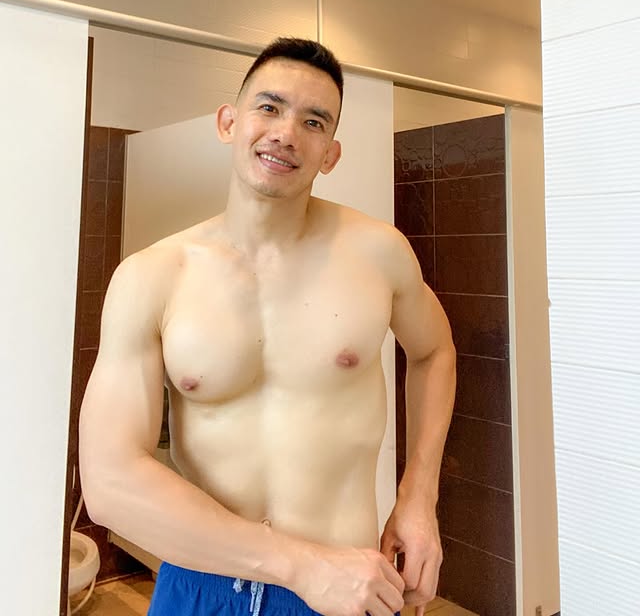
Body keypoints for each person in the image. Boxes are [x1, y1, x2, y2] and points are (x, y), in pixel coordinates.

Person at [79, 37, 456, 616]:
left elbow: (433, 352)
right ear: (229, 122)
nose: (286, 133)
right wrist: (300, 565)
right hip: (202, 583)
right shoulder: (152, 276)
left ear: (330, 153)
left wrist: (418, 498)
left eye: (313, 121)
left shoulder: (378, 254)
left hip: (345, 587)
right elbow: (108, 481)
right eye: (269, 107)